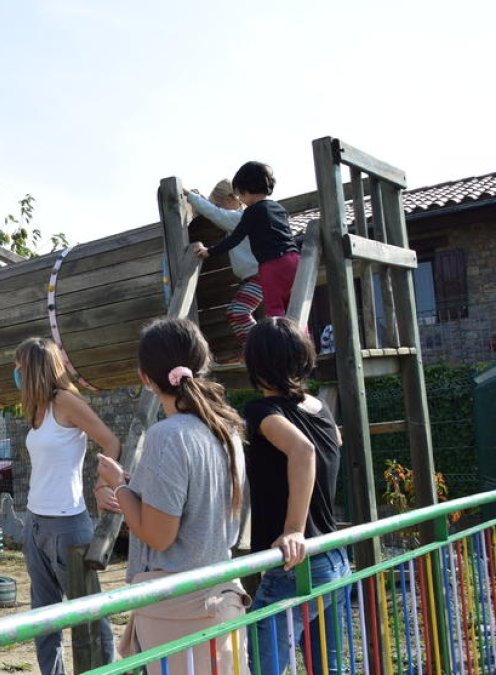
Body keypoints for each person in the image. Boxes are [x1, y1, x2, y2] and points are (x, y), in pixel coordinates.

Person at [96, 318, 249, 675]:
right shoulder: (227, 429)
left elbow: (158, 534)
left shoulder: (167, 435)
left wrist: (118, 483)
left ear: (145, 378)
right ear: (203, 363)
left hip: (179, 609)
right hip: (221, 595)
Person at [243, 317, 346, 675]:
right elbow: (331, 443)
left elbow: (303, 451)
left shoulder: (262, 412)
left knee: (259, 660)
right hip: (332, 555)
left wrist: (294, 529)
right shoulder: (321, 409)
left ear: (255, 364)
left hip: (294, 563)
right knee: (328, 666)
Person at [14, 337, 121, 675]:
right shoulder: (37, 407)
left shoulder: (65, 401)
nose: (15, 374)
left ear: (33, 368)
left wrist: (103, 484)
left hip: (67, 525)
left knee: (89, 613)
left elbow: (110, 441)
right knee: (43, 618)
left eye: (18, 367)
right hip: (36, 522)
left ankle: (107, 670)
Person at [193, 161, 299, 319]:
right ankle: (303, 340)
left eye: (240, 194)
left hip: (271, 265)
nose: (241, 200)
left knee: (275, 311)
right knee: (295, 309)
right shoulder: (278, 208)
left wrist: (210, 251)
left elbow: (235, 238)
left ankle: (277, 341)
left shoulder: (250, 213)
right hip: (294, 260)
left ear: (246, 190)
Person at [186, 179, 261, 345]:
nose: (219, 210)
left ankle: (260, 346)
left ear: (230, 200)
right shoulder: (236, 222)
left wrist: (190, 196)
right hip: (252, 277)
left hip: (260, 276)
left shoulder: (239, 218)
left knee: (240, 311)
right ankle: (250, 348)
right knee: (233, 312)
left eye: (220, 205)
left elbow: (215, 214)